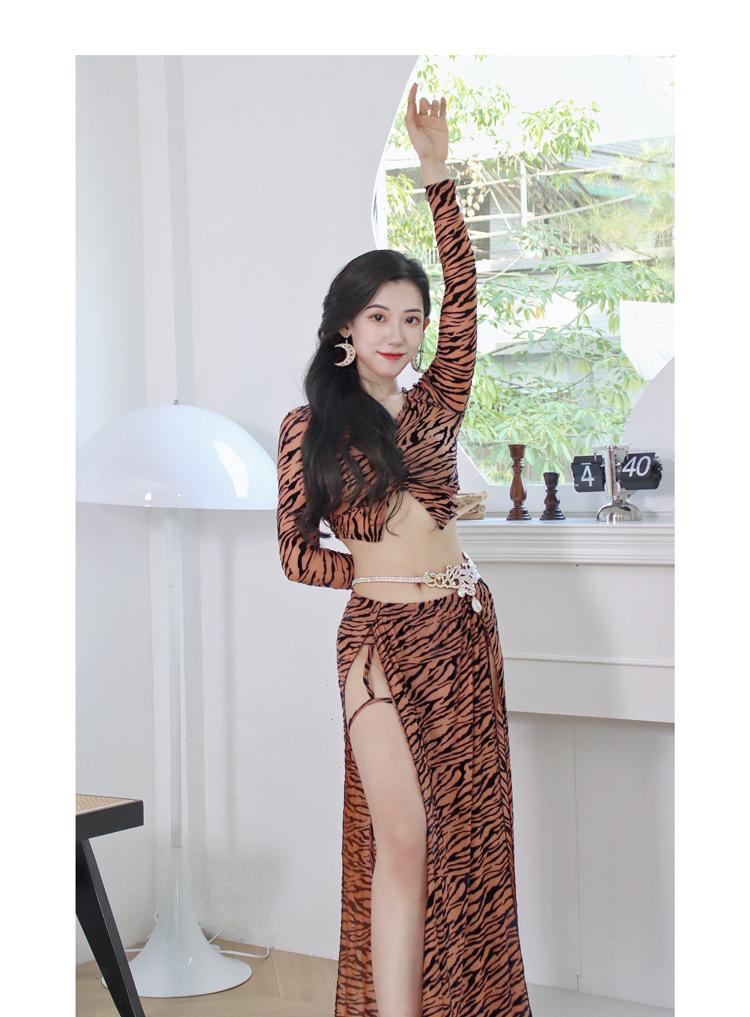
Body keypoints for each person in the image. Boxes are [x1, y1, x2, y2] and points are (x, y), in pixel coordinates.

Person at [276, 82, 533, 1017]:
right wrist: (377, 568)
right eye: (380, 315)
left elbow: (469, 299)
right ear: (346, 328)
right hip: (379, 644)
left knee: (464, 842)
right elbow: (296, 553)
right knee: (406, 835)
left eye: (411, 317)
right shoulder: (308, 428)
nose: (399, 332)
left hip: (459, 633)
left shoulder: (435, 405)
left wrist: (436, 175)